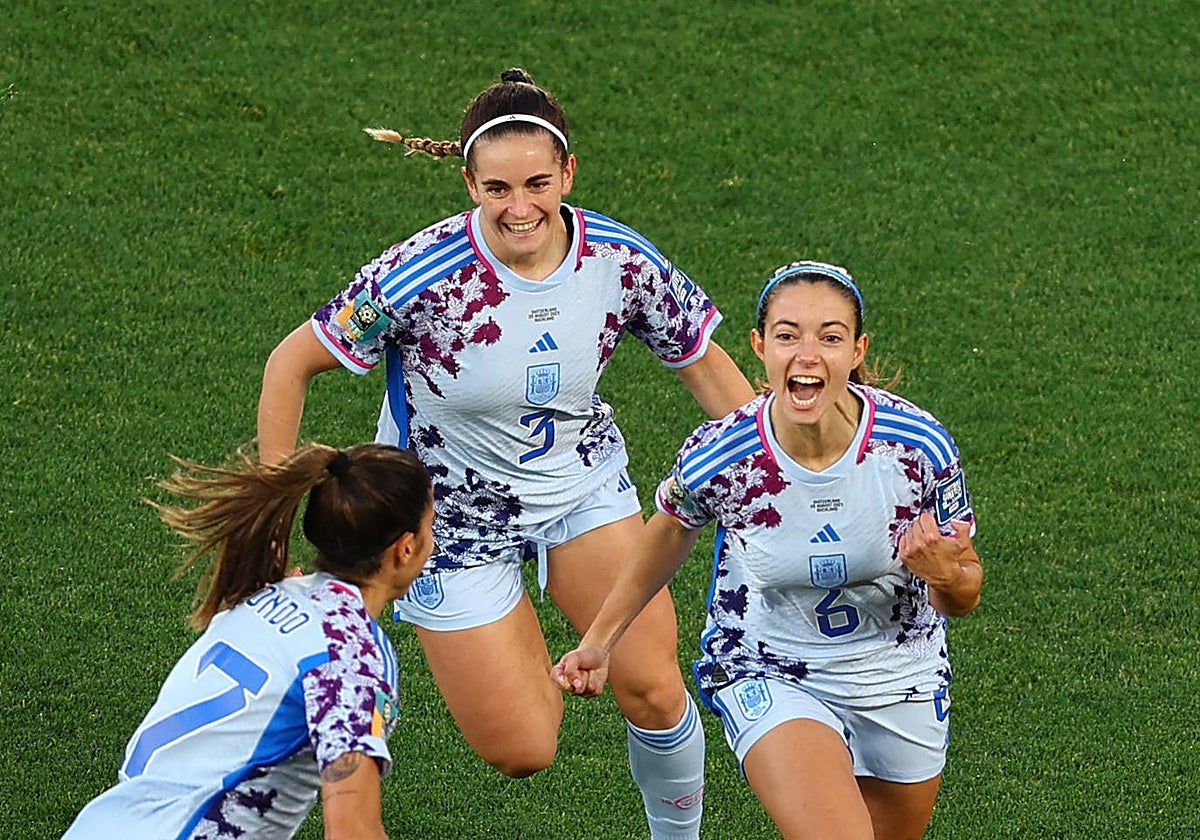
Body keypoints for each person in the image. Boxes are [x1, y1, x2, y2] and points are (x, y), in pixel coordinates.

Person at [257, 68, 755, 839]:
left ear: (568, 174)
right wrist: (271, 524)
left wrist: (771, 475)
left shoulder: (619, 259)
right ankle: (516, 623)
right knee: (524, 749)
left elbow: (702, 361)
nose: (519, 208)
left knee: (654, 687)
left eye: (536, 184)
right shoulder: (419, 273)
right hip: (444, 523)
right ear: (468, 181)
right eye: (496, 190)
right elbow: (290, 365)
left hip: (578, 488)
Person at [552, 260, 984, 840]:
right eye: (787, 335)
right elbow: (669, 529)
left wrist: (945, 577)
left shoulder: (916, 449)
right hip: (769, 666)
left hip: (896, 672)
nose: (807, 355)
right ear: (759, 346)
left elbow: (965, 591)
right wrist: (599, 642)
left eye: (830, 337)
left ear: (857, 351)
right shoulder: (724, 455)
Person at [63, 442, 435, 840]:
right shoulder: (351, 657)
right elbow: (352, 832)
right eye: (431, 525)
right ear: (406, 548)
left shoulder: (266, 596)